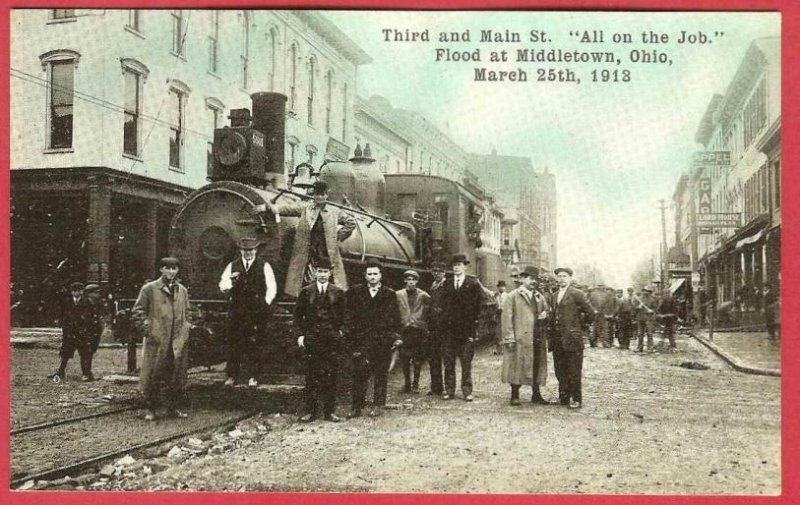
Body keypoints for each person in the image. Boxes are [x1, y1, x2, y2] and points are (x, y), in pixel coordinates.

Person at [132, 257, 192, 421]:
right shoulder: (149, 289)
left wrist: (186, 328)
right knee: (154, 374)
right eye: (168, 268)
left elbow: (188, 311)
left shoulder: (182, 290)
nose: (171, 272)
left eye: (174, 269)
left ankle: (173, 408)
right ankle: (151, 408)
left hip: (177, 340)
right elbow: (138, 311)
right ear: (161, 269)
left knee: (176, 374)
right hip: (158, 340)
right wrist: (148, 330)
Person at [276, 180, 357, 298]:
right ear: (313, 196)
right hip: (307, 251)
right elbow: (289, 209)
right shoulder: (306, 209)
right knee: (304, 280)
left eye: (322, 195)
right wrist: (273, 208)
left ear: (326, 195)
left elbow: (351, 222)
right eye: (317, 195)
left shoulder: (334, 211)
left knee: (329, 280)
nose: (319, 197)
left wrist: (339, 235)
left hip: (326, 252)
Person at [345, 259, 401, 418]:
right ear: (365, 275)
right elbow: (348, 313)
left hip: (381, 340)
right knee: (359, 374)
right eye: (369, 274)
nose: (372, 277)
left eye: (375, 274)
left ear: (381, 275)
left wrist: (394, 336)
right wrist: (350, 333)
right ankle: (356, 407)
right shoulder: (356, 292)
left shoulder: (389, 293)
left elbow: (395, 317)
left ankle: (378, 405)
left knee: (380, 373)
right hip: (361, 339)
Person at [219, 237, 277, 387]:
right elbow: (222, 285)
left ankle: (253, 376)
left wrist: (265, 304)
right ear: (241, 251)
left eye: (251, 250)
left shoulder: (264, 266)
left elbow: (272, 287)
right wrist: (231, 282)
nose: (248, 253)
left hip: (256, 311)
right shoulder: (233, 265)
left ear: (256, 250)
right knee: (234, 343)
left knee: (255, 343)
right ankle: (232, 376)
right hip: (237, 310)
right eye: (245, 250)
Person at [295, 258, 345, 423]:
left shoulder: (338, 292)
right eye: (320, 271)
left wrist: (340, 333)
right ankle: (310, 411)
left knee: (331, 374)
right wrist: (301, 335)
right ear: (314, 272)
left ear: (330, 273)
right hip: (312, 337)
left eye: (325, 271)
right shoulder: (306, 292)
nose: (322, 274)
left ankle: (329, 412)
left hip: (331, 339)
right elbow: (297, 316)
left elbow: (345, 317)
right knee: (311, 375)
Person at [501, 266, 550, 405]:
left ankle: (536, 394)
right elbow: (506, 318)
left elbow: (546, 312)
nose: (533, 281)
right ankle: (514, 394)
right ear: (522, 279)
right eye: (530, 278)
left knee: (536, 365)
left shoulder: (539, 296)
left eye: (535, 279)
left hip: (536, 336)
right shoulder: (513, 296)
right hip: (520, 337)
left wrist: (545, 315)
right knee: (517, 365)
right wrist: (509, 337)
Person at [548, 267, 596, 409]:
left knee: (574, 370)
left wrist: (579, 327)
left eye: (564, 276)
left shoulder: (577, 294)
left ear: (570, 278)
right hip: (557, 339)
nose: (561, 278)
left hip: (572, 339)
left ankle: (576, 398)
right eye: (559, 276)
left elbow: (590, 313)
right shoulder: (553, 295)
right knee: (559, 369)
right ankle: (563, 397)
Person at [440, 253, 484, 402]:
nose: (456, 268)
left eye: (459, 265)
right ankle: (449, 390)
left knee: (466, 363)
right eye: (454, 265)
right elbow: (443, 306)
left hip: (466, 331)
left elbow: (478, 308)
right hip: (449, 331)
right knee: (448, 363)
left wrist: (473, 330)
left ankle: (467, 391)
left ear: (465, 266)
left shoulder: (473, 284)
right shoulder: (447, 284)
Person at [49, 282, 95, 383]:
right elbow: (63, 314)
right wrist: (64, 325)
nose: (76, 292)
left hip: (82, 332)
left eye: (78, 290)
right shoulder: (67, 301)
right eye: (74, 291)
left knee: (84, 353)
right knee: (65, 353)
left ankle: (86, 373)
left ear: (82, 291)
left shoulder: (87, 302)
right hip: (69, 331)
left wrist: (85, 329)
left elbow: (89, 317)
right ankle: (61, 372)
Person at [396, 270, 431, 394]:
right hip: (404, 330)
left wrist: (423, 322)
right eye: (408, 279)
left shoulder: (422, 295)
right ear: (405, 280)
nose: (411, 282)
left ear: (417, 281)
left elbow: (431, 306)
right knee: (404, 358)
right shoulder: (398, 294)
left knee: (417, 359)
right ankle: (407, 384)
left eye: (413, 280)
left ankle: (415, 384)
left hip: (417, 330)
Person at [426, 261, 448, 396]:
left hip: (444, 326)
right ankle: (436, 387)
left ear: (444, 273)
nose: (436, 273)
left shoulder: (446, 286)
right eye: (434, 271)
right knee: (433, 358)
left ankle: (447, 387)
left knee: (446, 358)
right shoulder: (433, 286)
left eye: (439, 271)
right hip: (433, 326)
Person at [588, 284, 617, 348]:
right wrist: (593, 310)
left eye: (603, 287)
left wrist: (608, 313)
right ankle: (593, 342)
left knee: (604, 328)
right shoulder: (593, 294)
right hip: (596, 314)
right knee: (595, 328)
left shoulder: (607, 295)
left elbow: (609, 304)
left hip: (603, 314)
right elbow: (589, 303)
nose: (602, 288)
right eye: (600, 287)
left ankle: (604, 343)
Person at [634, 287, 658, 353]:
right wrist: (638, 307)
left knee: (649, 333)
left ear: (650, 292)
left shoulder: (652, 300)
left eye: (647, 291)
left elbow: (656, 309)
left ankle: (650, 348)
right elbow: (634, 308)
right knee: (640, 333)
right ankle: (639, 347)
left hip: (649, 318)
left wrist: (651, 310)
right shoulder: (639, 299)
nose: (645, 292)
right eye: (644, 291)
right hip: (640, 318)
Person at [493, 281, 510, 355]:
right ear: (498, 287)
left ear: (505, 287)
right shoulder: (496, 295)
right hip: (498, 315)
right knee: (498, 332)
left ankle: (504, 349)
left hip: (505, 315)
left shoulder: (508, 296)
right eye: (500, 286)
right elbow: (487, 292)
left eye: (503, 286)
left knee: (504, 332)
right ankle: (498, 350)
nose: (501, 288)